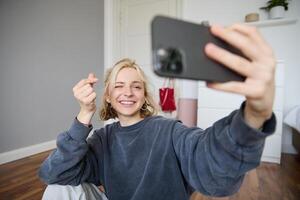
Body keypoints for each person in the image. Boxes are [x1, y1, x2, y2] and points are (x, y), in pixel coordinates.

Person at [39, 24, 276, 200]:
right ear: (109, 96)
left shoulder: (169, 130)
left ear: (143, 95)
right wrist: (83, 115)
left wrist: (254, 116)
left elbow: (213, 171)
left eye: (136, 86)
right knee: (58, 188)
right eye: (119, 86)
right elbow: (53, 173)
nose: (128, 92)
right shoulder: (103, 139)